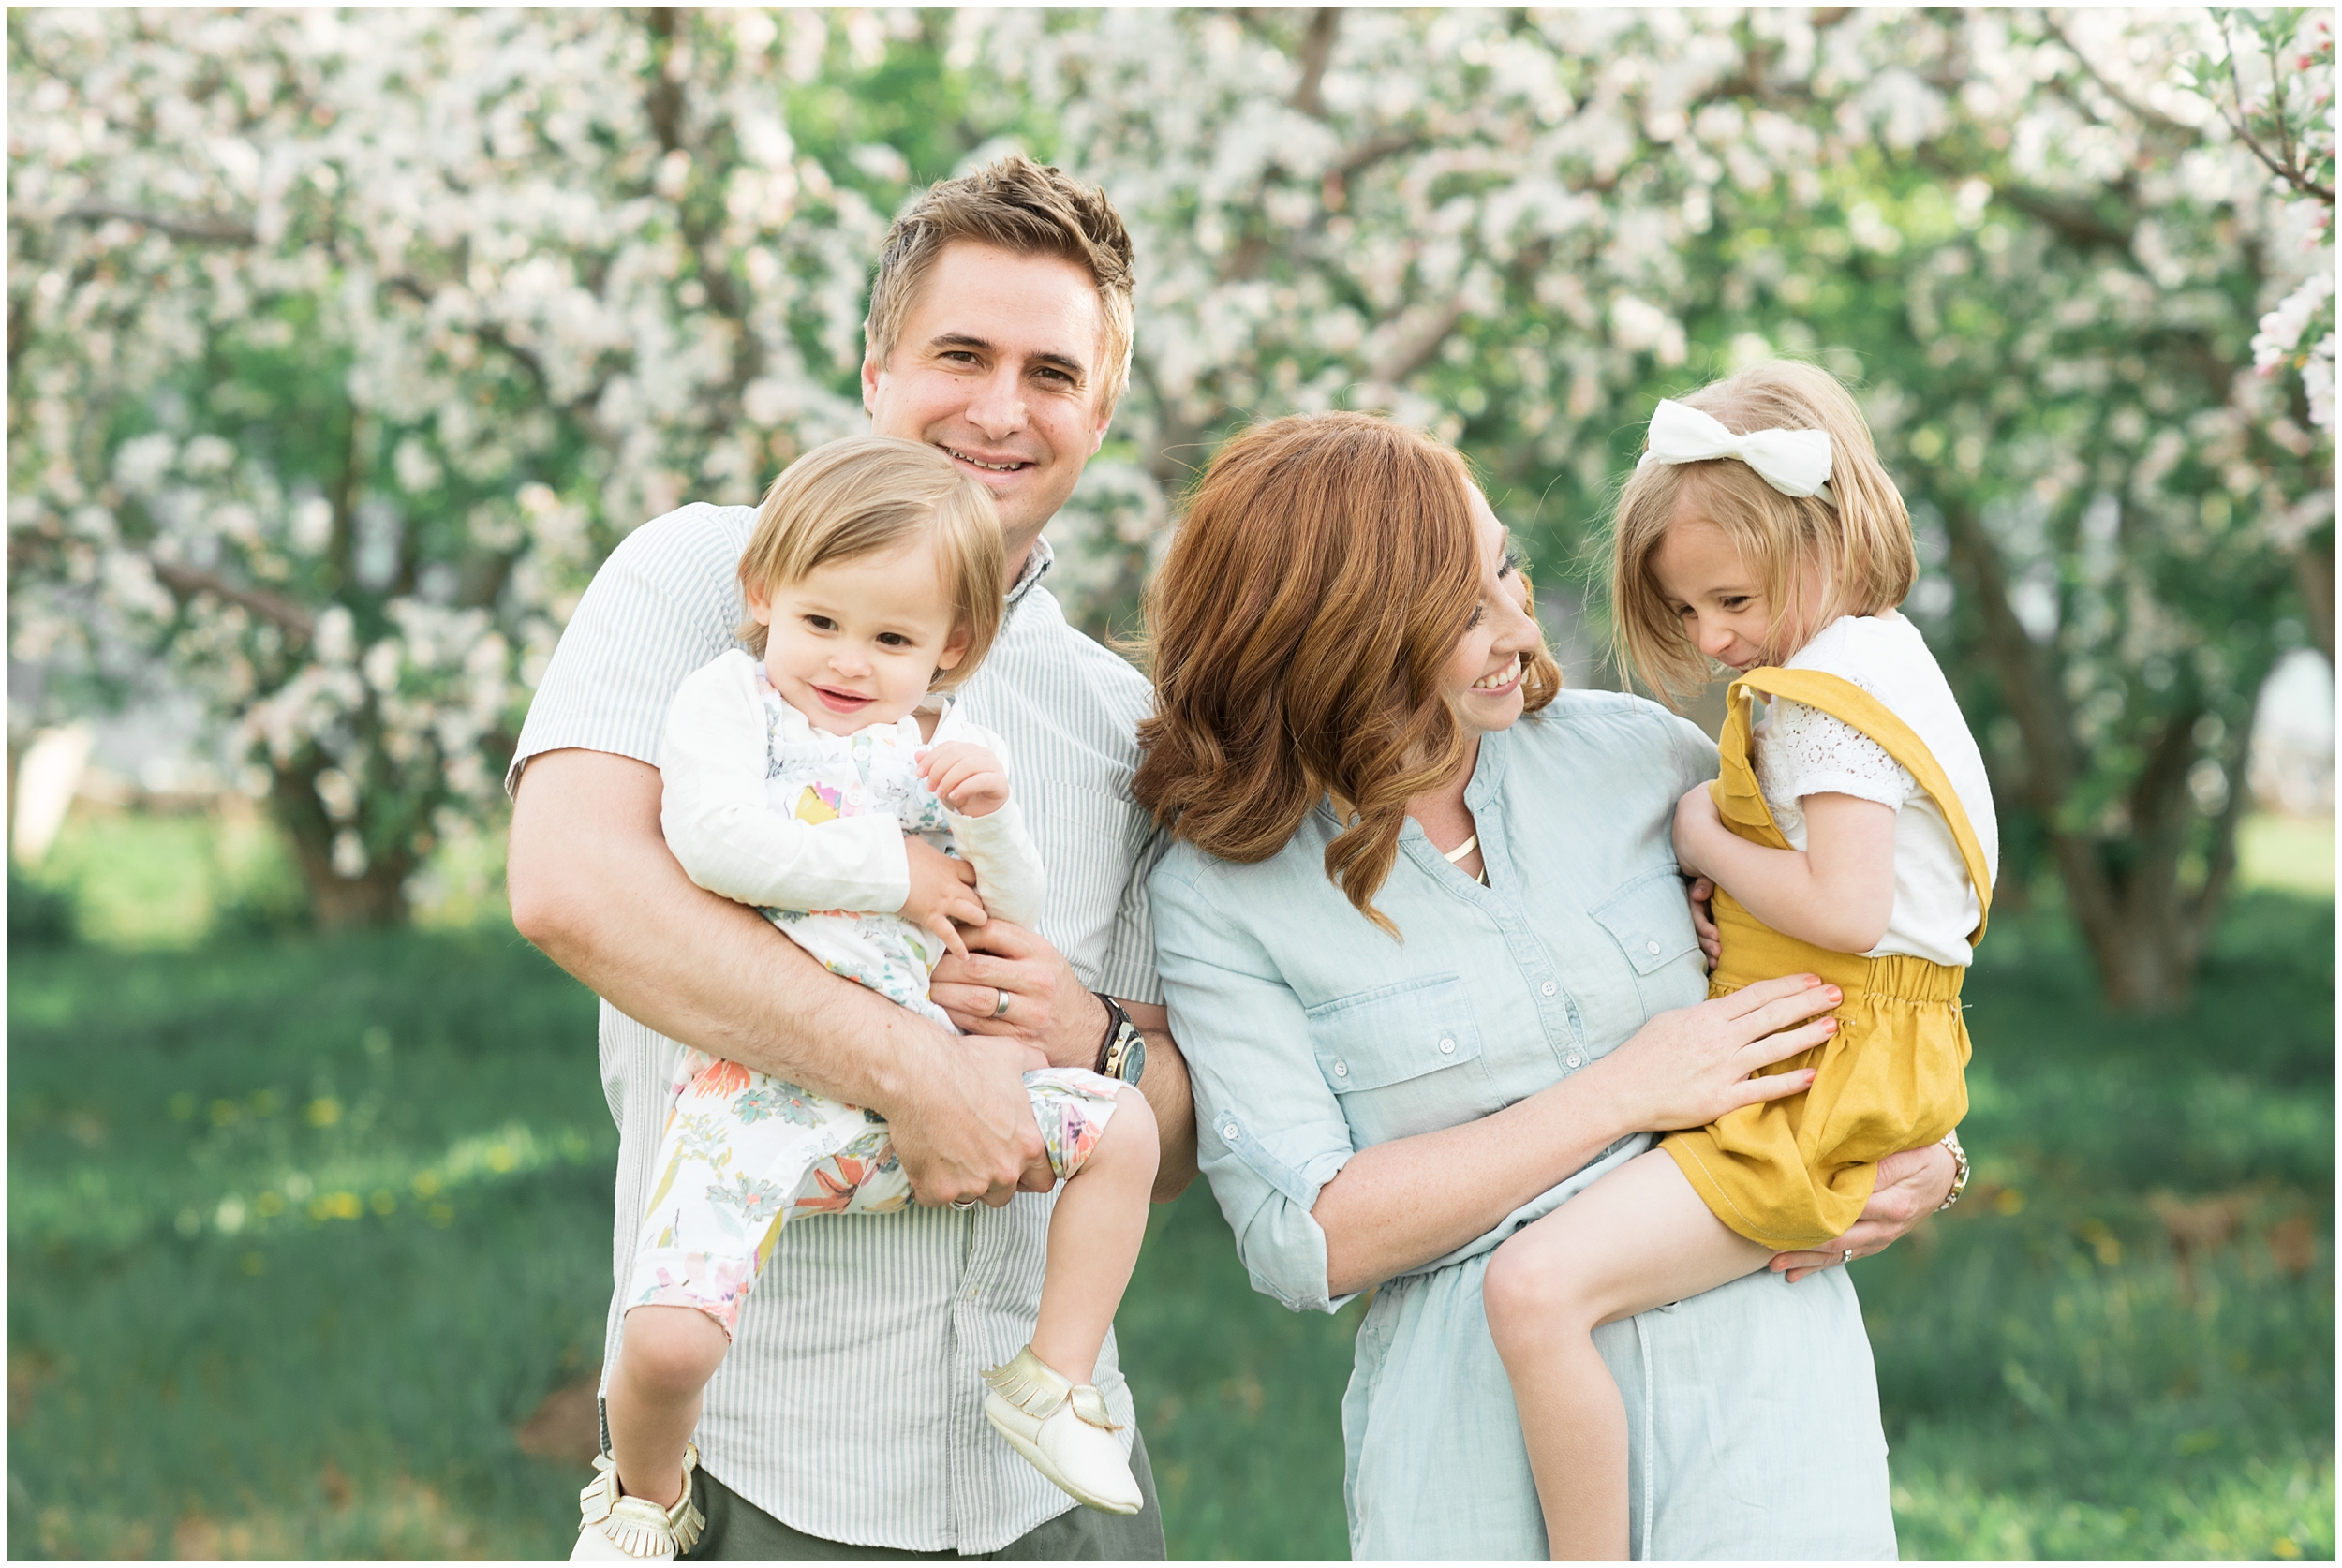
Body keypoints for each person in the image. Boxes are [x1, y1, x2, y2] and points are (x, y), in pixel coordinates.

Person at [507, 156, 1195, 1561]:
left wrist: (1091, 1032)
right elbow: (572, 888)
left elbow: (1183, 1127)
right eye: (961, 353)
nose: (1002, 408)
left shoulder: (1119, 719)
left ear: (1101, 413)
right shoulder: (702, 580)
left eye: (1052, 373)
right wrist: (915, 1071)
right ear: (876, 367)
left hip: (1055, 1501)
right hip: (771, 1463)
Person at [1136, 411, 1964, 1561]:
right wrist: (1624, 1092)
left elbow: (1879, 942)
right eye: (1461, 609)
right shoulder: (1222, 891)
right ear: (1331, 630)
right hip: (1477, 1467)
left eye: (1506, 571)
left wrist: (1932, 1160)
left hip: (1768, 1435)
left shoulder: (1644, 760)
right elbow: (1304, 1238)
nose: (1520, 627)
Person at [574, 436, 1159, 1561]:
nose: (848, 662)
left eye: (892, 640)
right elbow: (715, 842)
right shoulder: (734, 704)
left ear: (952, 650)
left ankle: (1054, 1379)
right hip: (756, 1094)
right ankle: (640, 1501)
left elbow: (1005, 909)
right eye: (822, 624)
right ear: (763, 596)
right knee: (666, 1342)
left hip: (917, 1118)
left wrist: (987, 820)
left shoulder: (938, 746)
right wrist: (903, 869)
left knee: (1120, 1129)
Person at [1475, 362, 1994, 1559]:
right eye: (1686, 614)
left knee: (1535, 1290)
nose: (1713, 639)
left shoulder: (1816, 698)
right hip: (1867, 1035)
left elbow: (1849, 906)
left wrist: (1702, 829)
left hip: (1825, 1062)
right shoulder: (1887, 658)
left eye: (1732, 600)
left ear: (1827, 533)